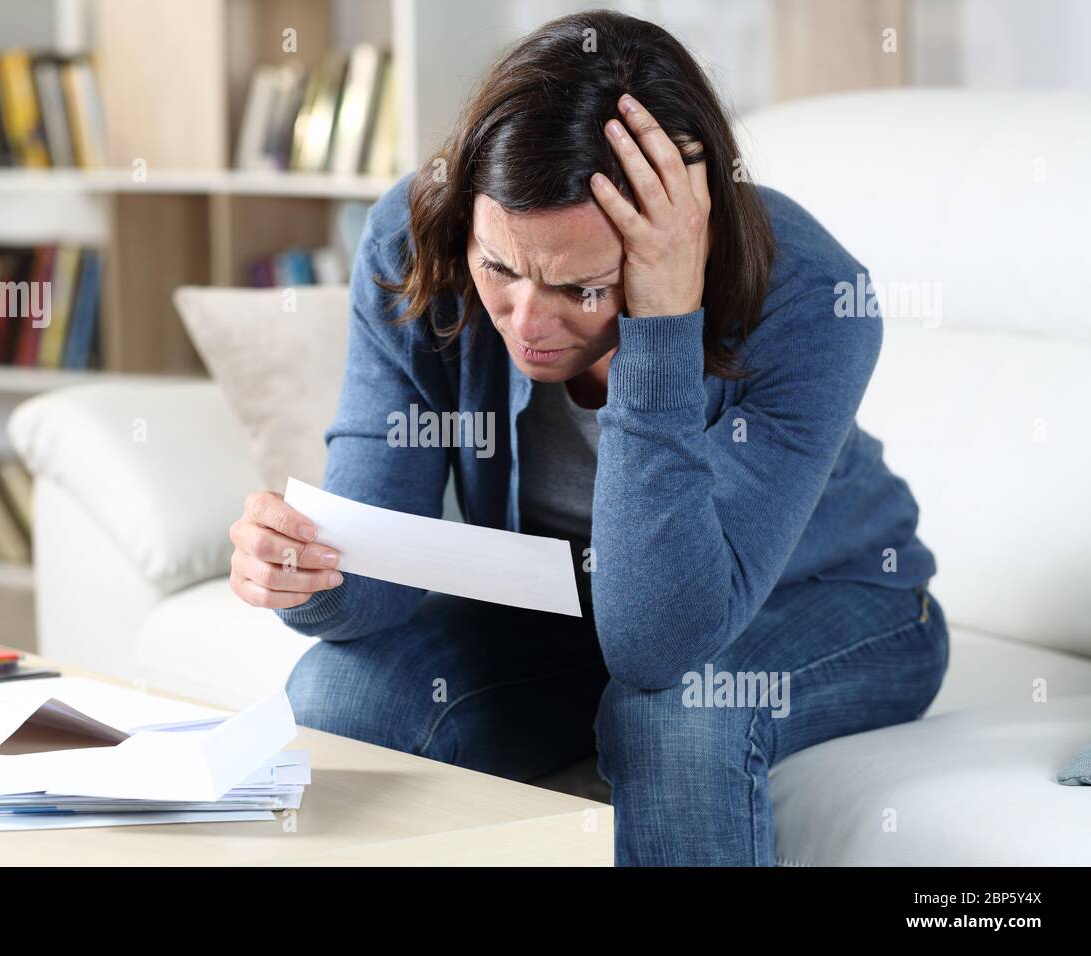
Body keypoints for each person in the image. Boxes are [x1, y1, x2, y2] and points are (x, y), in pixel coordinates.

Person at [226, 10, 949, 866]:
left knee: (673, 718)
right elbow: (375, 569)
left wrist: (662, 328)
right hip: (561, 603)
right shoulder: (416, 237)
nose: (527, 323)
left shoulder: (812, 298)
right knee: (338, 692)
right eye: (500, 268)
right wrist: (304, 572)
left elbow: (656, 646)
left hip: (832, 600)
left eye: (583, 287)